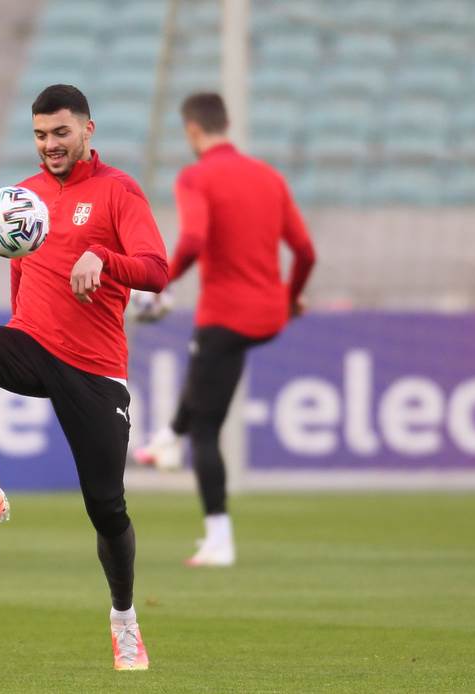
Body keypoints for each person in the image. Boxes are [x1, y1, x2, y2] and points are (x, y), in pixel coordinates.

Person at [0, 85, 167, 671]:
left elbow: (156, 269)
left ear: (88, 131)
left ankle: (124, 621)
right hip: (34, 345)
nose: (50, 144)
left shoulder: (118, 191)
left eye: (61, 133)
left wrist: (104, 258)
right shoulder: (23, 197)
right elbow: (19, 275)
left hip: (95, 369)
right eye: (41, 135)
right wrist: (17, 334)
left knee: (107, 509)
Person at [135, 92, 316, 567]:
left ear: (192, 130)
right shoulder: (269, 176)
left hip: (226, 315)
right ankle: (167, 438)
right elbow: (305, 251)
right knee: (205, 381)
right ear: (226, 124)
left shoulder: (196, 177)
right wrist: (292, 296)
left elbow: (194, 238)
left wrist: (162, 281)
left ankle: (219, 539)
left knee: (207, 427)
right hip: (268, 316)